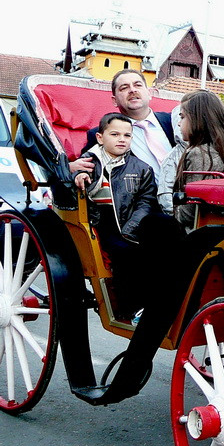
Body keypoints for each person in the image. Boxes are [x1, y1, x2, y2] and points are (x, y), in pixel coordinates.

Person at [73, 112, 159, 312]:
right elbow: (77, 173)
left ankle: (153, 306)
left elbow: (146, 202)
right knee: (123, 253)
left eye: (127, 135)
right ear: (100, 138)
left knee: (151, 251)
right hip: (98, 219)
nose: (121, 139)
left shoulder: (142, 168)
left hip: (129, 220)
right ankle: (130, 307)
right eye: (115, 134)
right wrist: (79, 176)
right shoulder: (89, 161)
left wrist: (131, 228)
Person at [71, 69, 174, 181]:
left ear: (149, 93)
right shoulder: (103, 133)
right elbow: (82, 168)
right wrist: (73, 169)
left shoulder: (174, 122)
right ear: (114, 101)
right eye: (124, 88)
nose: (132, 90)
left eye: (137, 85)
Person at [172, 91, 224, 230]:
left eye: (182, 117)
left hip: (201, 232)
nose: (178, 123)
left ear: (198, 120)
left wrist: (177, 214)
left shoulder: (198, 154)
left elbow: (190, 211)